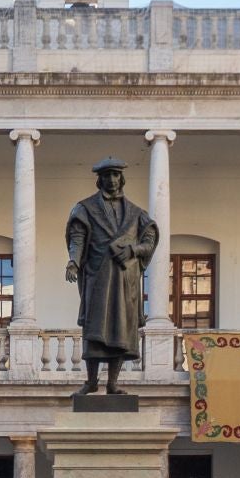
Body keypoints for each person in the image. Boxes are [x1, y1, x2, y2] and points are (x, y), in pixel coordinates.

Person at [64, 156, 160, 395]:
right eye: (107, 175)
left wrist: (133, 250)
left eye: (116, 175)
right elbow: (78, 238)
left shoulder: (137, 213)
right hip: (98, 278)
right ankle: (91, 381)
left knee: (121, 330)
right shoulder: (85, 208)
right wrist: (74, 261)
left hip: (125, 280)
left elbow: (150, 240)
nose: (112, 180)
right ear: (100, 180)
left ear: (122, 178)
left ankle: (113, 384)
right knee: (94, 330)